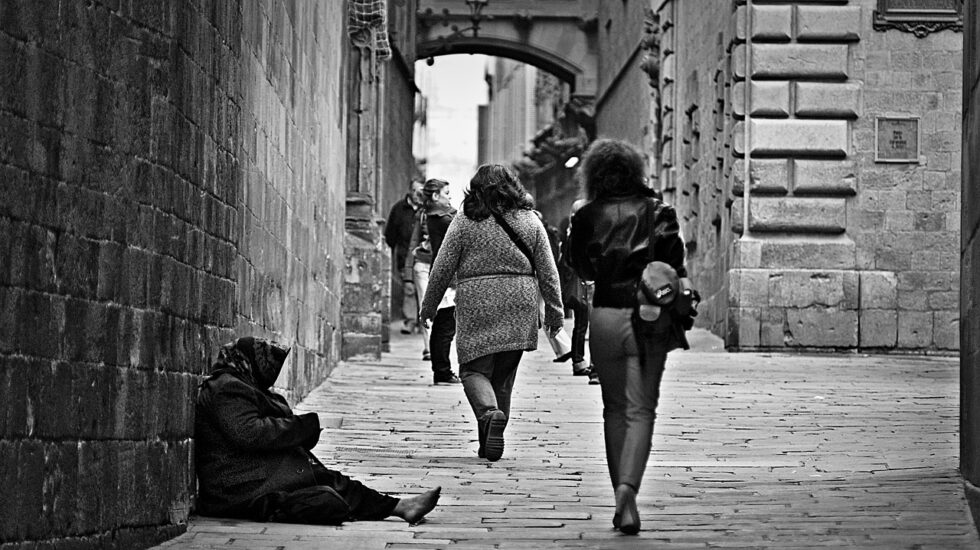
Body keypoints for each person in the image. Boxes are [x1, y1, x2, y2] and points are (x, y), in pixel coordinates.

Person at [566, 139, 689, 535]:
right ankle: (627, 489)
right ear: (636, 170)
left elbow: (579, 265)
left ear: (594, 174)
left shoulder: (587, 215)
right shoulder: (660, 212)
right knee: (642, 410)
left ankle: (623, 498)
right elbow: (675, 265)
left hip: (603, 316)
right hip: (648, 317)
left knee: (613, 409)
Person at [195, 336, 442, 525]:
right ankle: (399, 507)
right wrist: (301, 426)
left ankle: (401, 506)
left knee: (332, 481)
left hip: (253, 475)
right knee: (326, 488)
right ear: (248, 363)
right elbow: (250, 433)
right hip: (238, 487)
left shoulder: (239, 385)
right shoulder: (227, 389)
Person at [419, 164, 563, 462]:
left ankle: (488, 415)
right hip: (520, 301)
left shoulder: (464, 221)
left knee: (473, 369)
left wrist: (429, 306)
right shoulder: (531, 221)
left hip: (477, 300)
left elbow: (442, 267)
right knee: (504, 378)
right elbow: (549, 272)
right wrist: (555, 311)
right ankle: (489, 439)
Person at [407, 178, 461, 384]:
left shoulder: (437, 215)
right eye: (446, 193)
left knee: (443, 325)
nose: (450, 197)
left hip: (443, 275)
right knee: (445, 327)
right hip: (448, 278)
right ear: (436, 196)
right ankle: (442, 370)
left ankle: (442, 369)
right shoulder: (441, 218)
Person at [557, 199, 599, 383]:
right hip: (588, 284)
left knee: (581, 325)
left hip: (580, 284)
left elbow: (565, 262)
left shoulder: (571, 234)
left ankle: (579, 361)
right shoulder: (587, 233)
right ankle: (592, 367)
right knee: (592, 327)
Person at [385, 180, 424, 334]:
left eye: (420, 191)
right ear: (409, 191)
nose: (416, 194)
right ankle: (410, 321)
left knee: (423, 290)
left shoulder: (426, 209)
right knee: (409, 289)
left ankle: (422, 324)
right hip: (404, 256)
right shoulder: (399, 209)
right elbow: (390, 235)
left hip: (422, 256)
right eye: (414, 190)